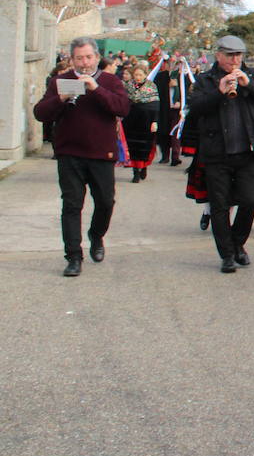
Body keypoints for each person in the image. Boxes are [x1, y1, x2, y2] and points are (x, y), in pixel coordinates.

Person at [32, 36, 132, 277]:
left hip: (101, 153)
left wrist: (95, 89)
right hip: (70, 153)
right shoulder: (61, 81)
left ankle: (96, 236)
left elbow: (122, 108)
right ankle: (73, 256)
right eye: (79, 58)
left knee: (106, 202)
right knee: (71, 205)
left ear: (96, 58)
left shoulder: (109, 81)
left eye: (88, 57)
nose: (84, 63)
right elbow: (40, 113)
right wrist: (62, 98)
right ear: (72, 59)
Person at [189, 35, 254, 273]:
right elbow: (195, 109)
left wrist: (249, 84)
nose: (234, 60)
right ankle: (226, 254)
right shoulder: (205, 79)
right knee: (220, 206)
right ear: (218, 55)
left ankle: (237, 244)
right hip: (218, 153)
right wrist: (219, 91)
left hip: (249, 152)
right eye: (229, 55)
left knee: (249, 201)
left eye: (238, 55)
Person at [122, 63, 160, 182]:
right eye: (136, 74)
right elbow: (125, 102)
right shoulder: (129, 86)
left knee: (144, 146)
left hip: (146, 121)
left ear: (145, 75)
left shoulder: (151, 86)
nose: (137, 77)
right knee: (132, 146)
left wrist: (155, 121)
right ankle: (135, 172)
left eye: (140, 74)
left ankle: (143, 167)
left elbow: (155, 105)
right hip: (131, 120)